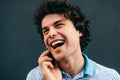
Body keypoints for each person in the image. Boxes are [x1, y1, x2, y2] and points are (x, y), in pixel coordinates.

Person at [26, 0, 120, 80]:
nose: (51, 34)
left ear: (79, 30)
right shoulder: (36, 76)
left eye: (59, 25)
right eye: (46, 31)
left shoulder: (110, 77)